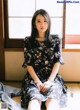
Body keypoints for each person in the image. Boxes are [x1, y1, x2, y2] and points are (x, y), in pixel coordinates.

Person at [21, 9, 67, 110]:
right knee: (34, 101)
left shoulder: (56, 39)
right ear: (34, 24)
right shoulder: (28, 41)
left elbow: (57, 62)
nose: (42, 24)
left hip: (52, 78)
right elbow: (29, 64)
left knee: (52, 101)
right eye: (39, 21)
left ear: (49, 22)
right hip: (33, 78)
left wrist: (50, 81)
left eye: (45, 21)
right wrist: (37, 82)